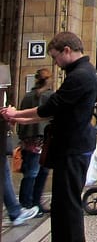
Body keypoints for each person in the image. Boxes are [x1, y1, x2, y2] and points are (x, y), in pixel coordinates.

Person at [2, 31, 97, 242]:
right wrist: (20, 119)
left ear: (67, 50)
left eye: (56, 57)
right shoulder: (83, 71)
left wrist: (17, 114)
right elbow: (57, 111)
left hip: (73, 147)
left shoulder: (81, 75)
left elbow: (50, 107)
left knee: (68, 204)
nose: (56, 63)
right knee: (63, 204)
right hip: (72, 145)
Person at [17, 68, 53, 212]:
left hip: (29, 140)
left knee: (30, 173)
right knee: (41, 172)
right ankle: (35, 203)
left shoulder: (27, 96)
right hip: (45, 140)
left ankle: (26, 203)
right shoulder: (50, 96)